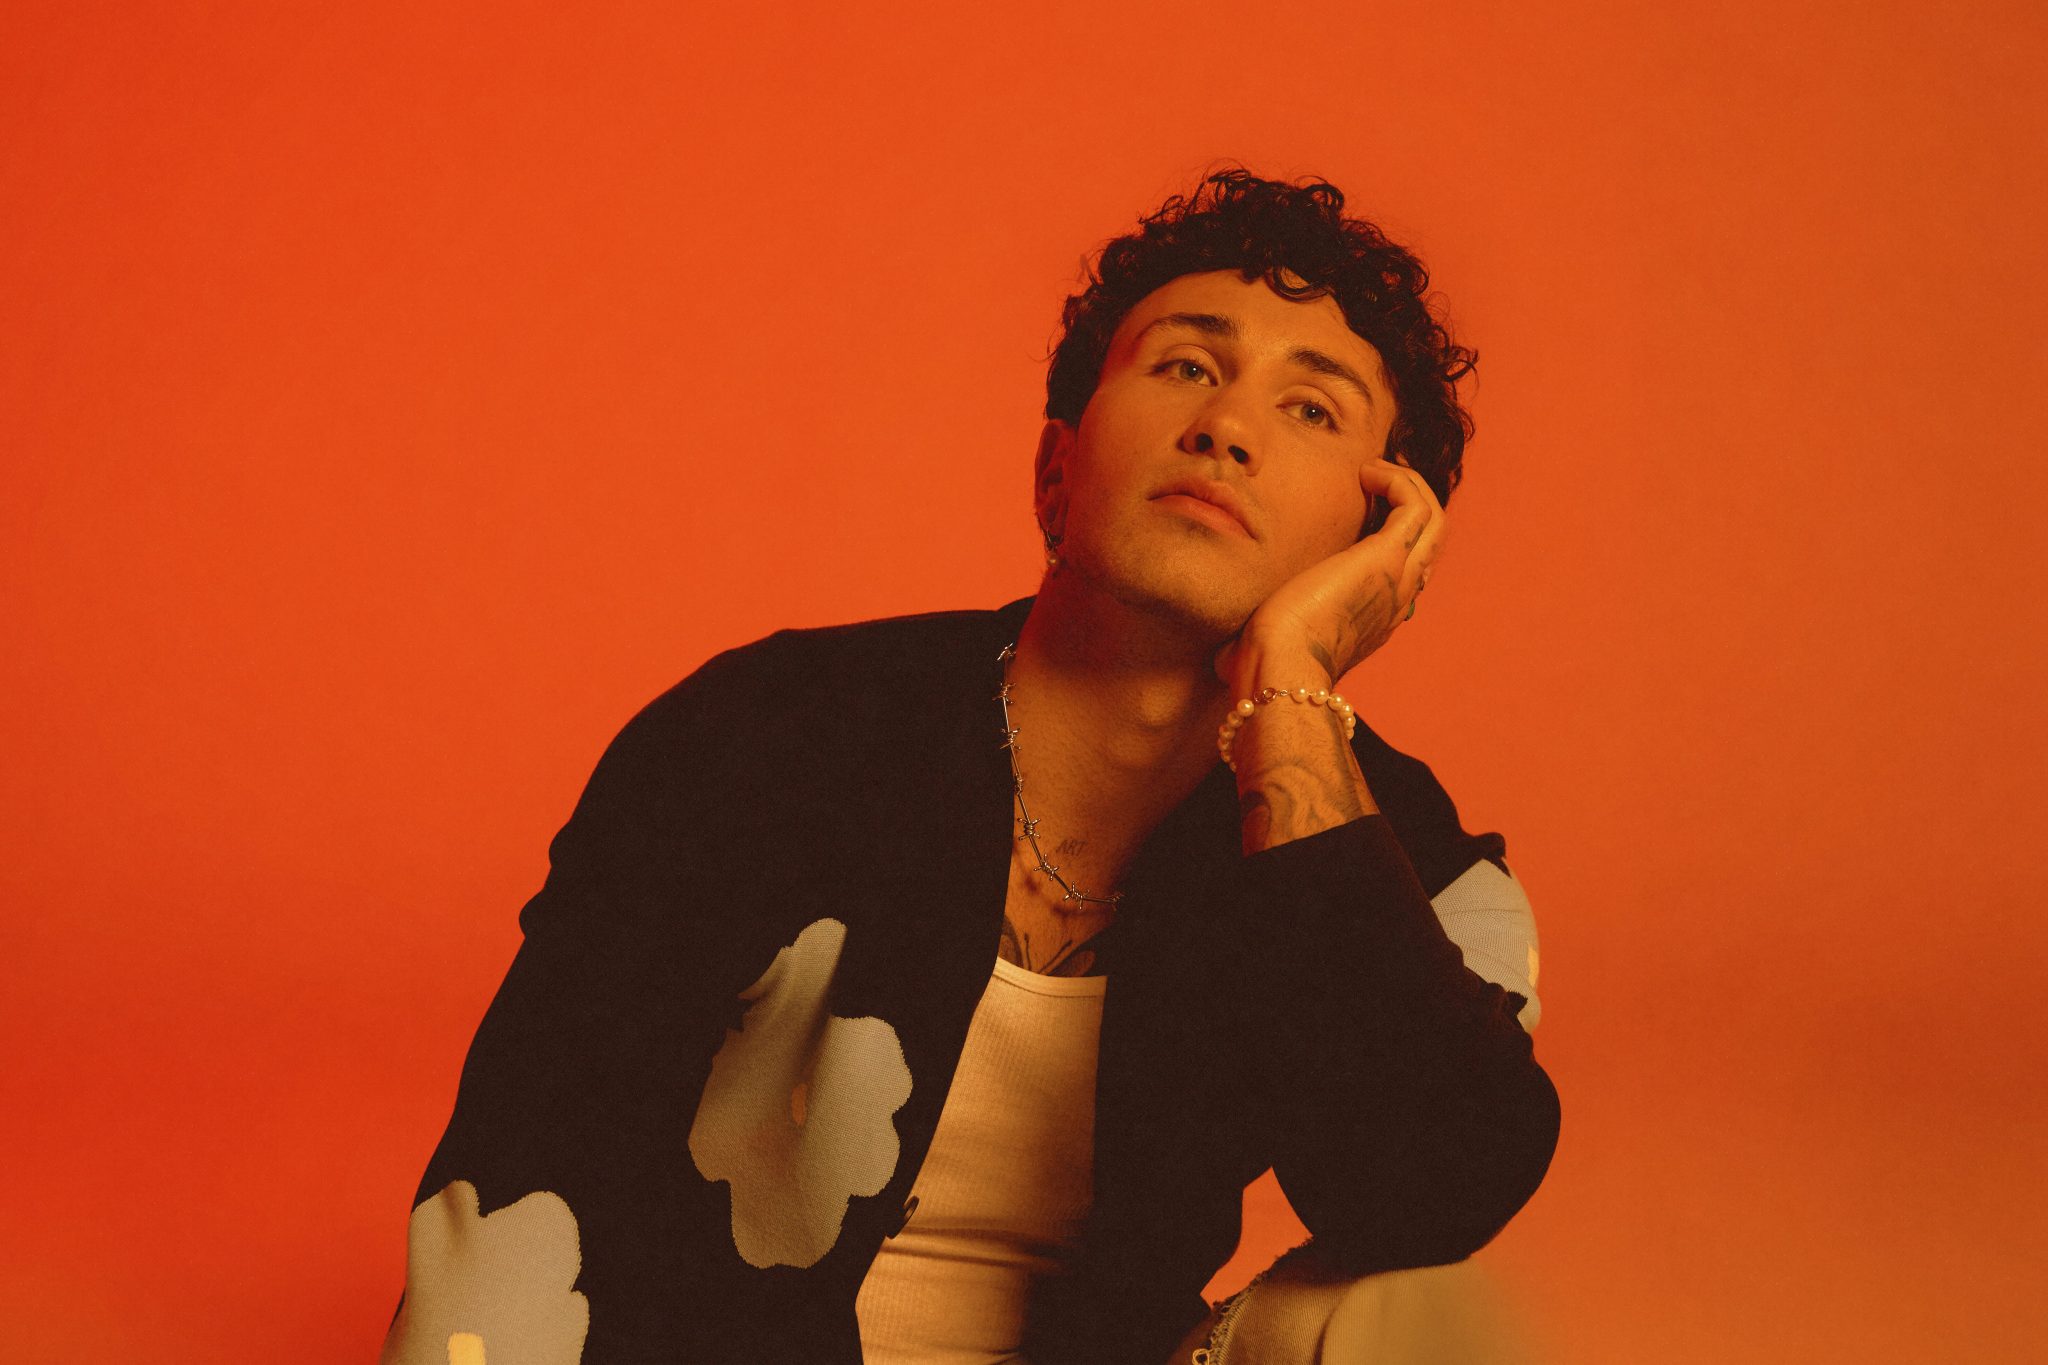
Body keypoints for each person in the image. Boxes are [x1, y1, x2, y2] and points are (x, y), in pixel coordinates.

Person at [378, 168, 1560, 1365]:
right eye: (1181, 367)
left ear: (1377, 548)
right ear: (1055, 471)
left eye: (1310, 409)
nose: (1225, 428)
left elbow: (1432, 1193)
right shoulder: (767, 736)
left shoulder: (1407, 859)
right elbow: (524, 1178)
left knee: (1417, 1322)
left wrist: (1291, 697)